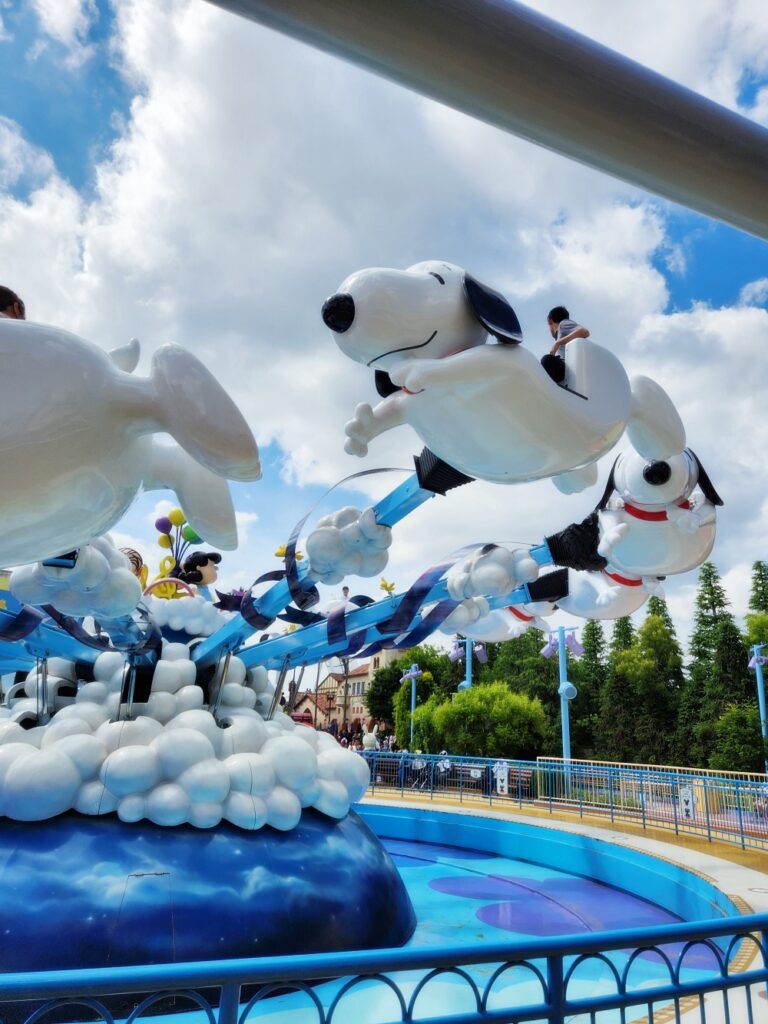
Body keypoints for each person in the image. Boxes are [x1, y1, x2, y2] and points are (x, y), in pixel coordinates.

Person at [541, 305, 590, 385]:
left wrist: (558, 342)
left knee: (547, 360)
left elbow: (584, 332)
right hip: (567, 368)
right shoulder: (561, 330)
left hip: (568, 369)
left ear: (550, 322)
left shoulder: (563, 324)